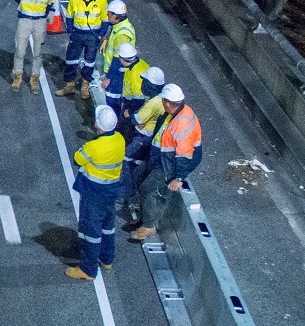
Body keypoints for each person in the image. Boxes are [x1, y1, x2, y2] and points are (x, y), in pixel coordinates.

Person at [133, 83, 204, 239]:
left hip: (170, 163)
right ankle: (146, 215)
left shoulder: (182, 122)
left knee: (148, 189)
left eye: (163, 100)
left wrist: (178, 178)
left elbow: (184, 155)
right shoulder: (173, 113)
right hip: (161, 157)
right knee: (138, 176)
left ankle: (149, 226)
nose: (162, 102)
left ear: (168, 102)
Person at [68, 106, 126, 279]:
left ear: (97, 125)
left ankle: (88, 269)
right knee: (108, 226)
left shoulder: (93, 146)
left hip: (93, 193)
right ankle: (107, 259)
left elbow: (78, 159)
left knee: (90, 231)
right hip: (111, 190)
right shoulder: (120, 139)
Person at [118, 66, 165, 238]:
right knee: (139, 174)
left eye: (145, 81)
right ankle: (138, 210)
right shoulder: (159, 100)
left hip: (144, 141)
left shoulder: (153, 102)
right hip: (152, 145)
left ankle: (127, 198)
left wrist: (133, 115)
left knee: (127, 161)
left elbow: (137, 119)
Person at [56, 0, 107, 98]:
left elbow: (105, 20)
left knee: (89, 62)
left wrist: (100, 35)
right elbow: (69, 16)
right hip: (77, 34)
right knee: (71, 60)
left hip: (92, 36)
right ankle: (69, 85)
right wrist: (70, 32)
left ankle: (85, 85)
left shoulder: (101, 1)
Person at [10, 0, 58, 92]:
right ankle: (17, 77)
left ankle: (34, 79)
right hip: (25, 20)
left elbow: (51, 3)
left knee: (38, 52)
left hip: (40, 22)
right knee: (20, 50)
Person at [91, 0, 135, 124]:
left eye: (109, 13)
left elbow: (117, 59)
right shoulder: (119, 27)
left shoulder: (122, 34)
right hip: (116, 73)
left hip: (117, 75)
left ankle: (112, 127)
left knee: (113, 101)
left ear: (116, 16)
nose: (107, 15)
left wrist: (107, 78)